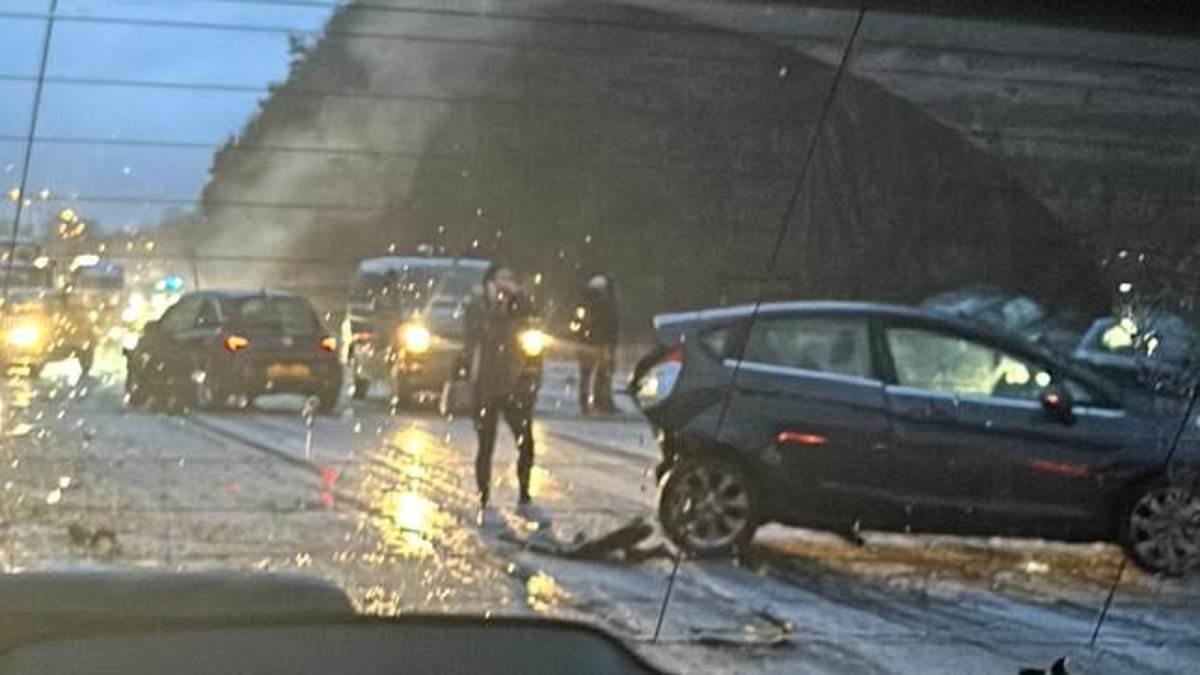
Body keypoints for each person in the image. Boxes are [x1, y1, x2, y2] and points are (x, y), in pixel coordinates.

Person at [460, 263, 543, 522]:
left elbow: (532, 330)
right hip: (485, 385)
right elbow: (476, 333)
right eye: (501, 278)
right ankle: (484, 499)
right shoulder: (478, 304)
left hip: (514, 385)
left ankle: (525, 497)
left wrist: (518, 301)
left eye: (510, 278)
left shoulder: (521, 304)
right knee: (486, 445)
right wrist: (497, 308)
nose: (506, 284)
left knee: (526, 442)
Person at [572, 273, 618, 414]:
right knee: (601, 373)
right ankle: (599, 400)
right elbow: (611, 324)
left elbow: (578, 324)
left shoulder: (586, 304)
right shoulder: (607, 304)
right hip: (597, 342)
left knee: (593, 373)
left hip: (592, 342)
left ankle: (592, 400)